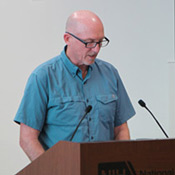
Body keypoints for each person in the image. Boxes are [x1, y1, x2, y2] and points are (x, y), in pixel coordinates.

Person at [14, 10, 135, 161]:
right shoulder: (43, 77)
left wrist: (121, 162)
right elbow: (27, 139)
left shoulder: (110, 74)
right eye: (89, 42)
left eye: (100, 42)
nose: (96, 49)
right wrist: (52, 171)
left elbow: (121, 129)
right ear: (67, 38)